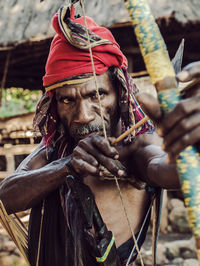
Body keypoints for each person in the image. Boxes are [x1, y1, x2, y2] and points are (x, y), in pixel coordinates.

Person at [0, 5, 200, 266]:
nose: (83, 114)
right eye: (67, 100)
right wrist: (67, 165)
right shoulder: (56, 149)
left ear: (120, 92)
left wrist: (191, 145)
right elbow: (5, 196)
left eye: (97, 95)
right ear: (55, 106)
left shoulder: (136, 148)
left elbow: (173, 170)